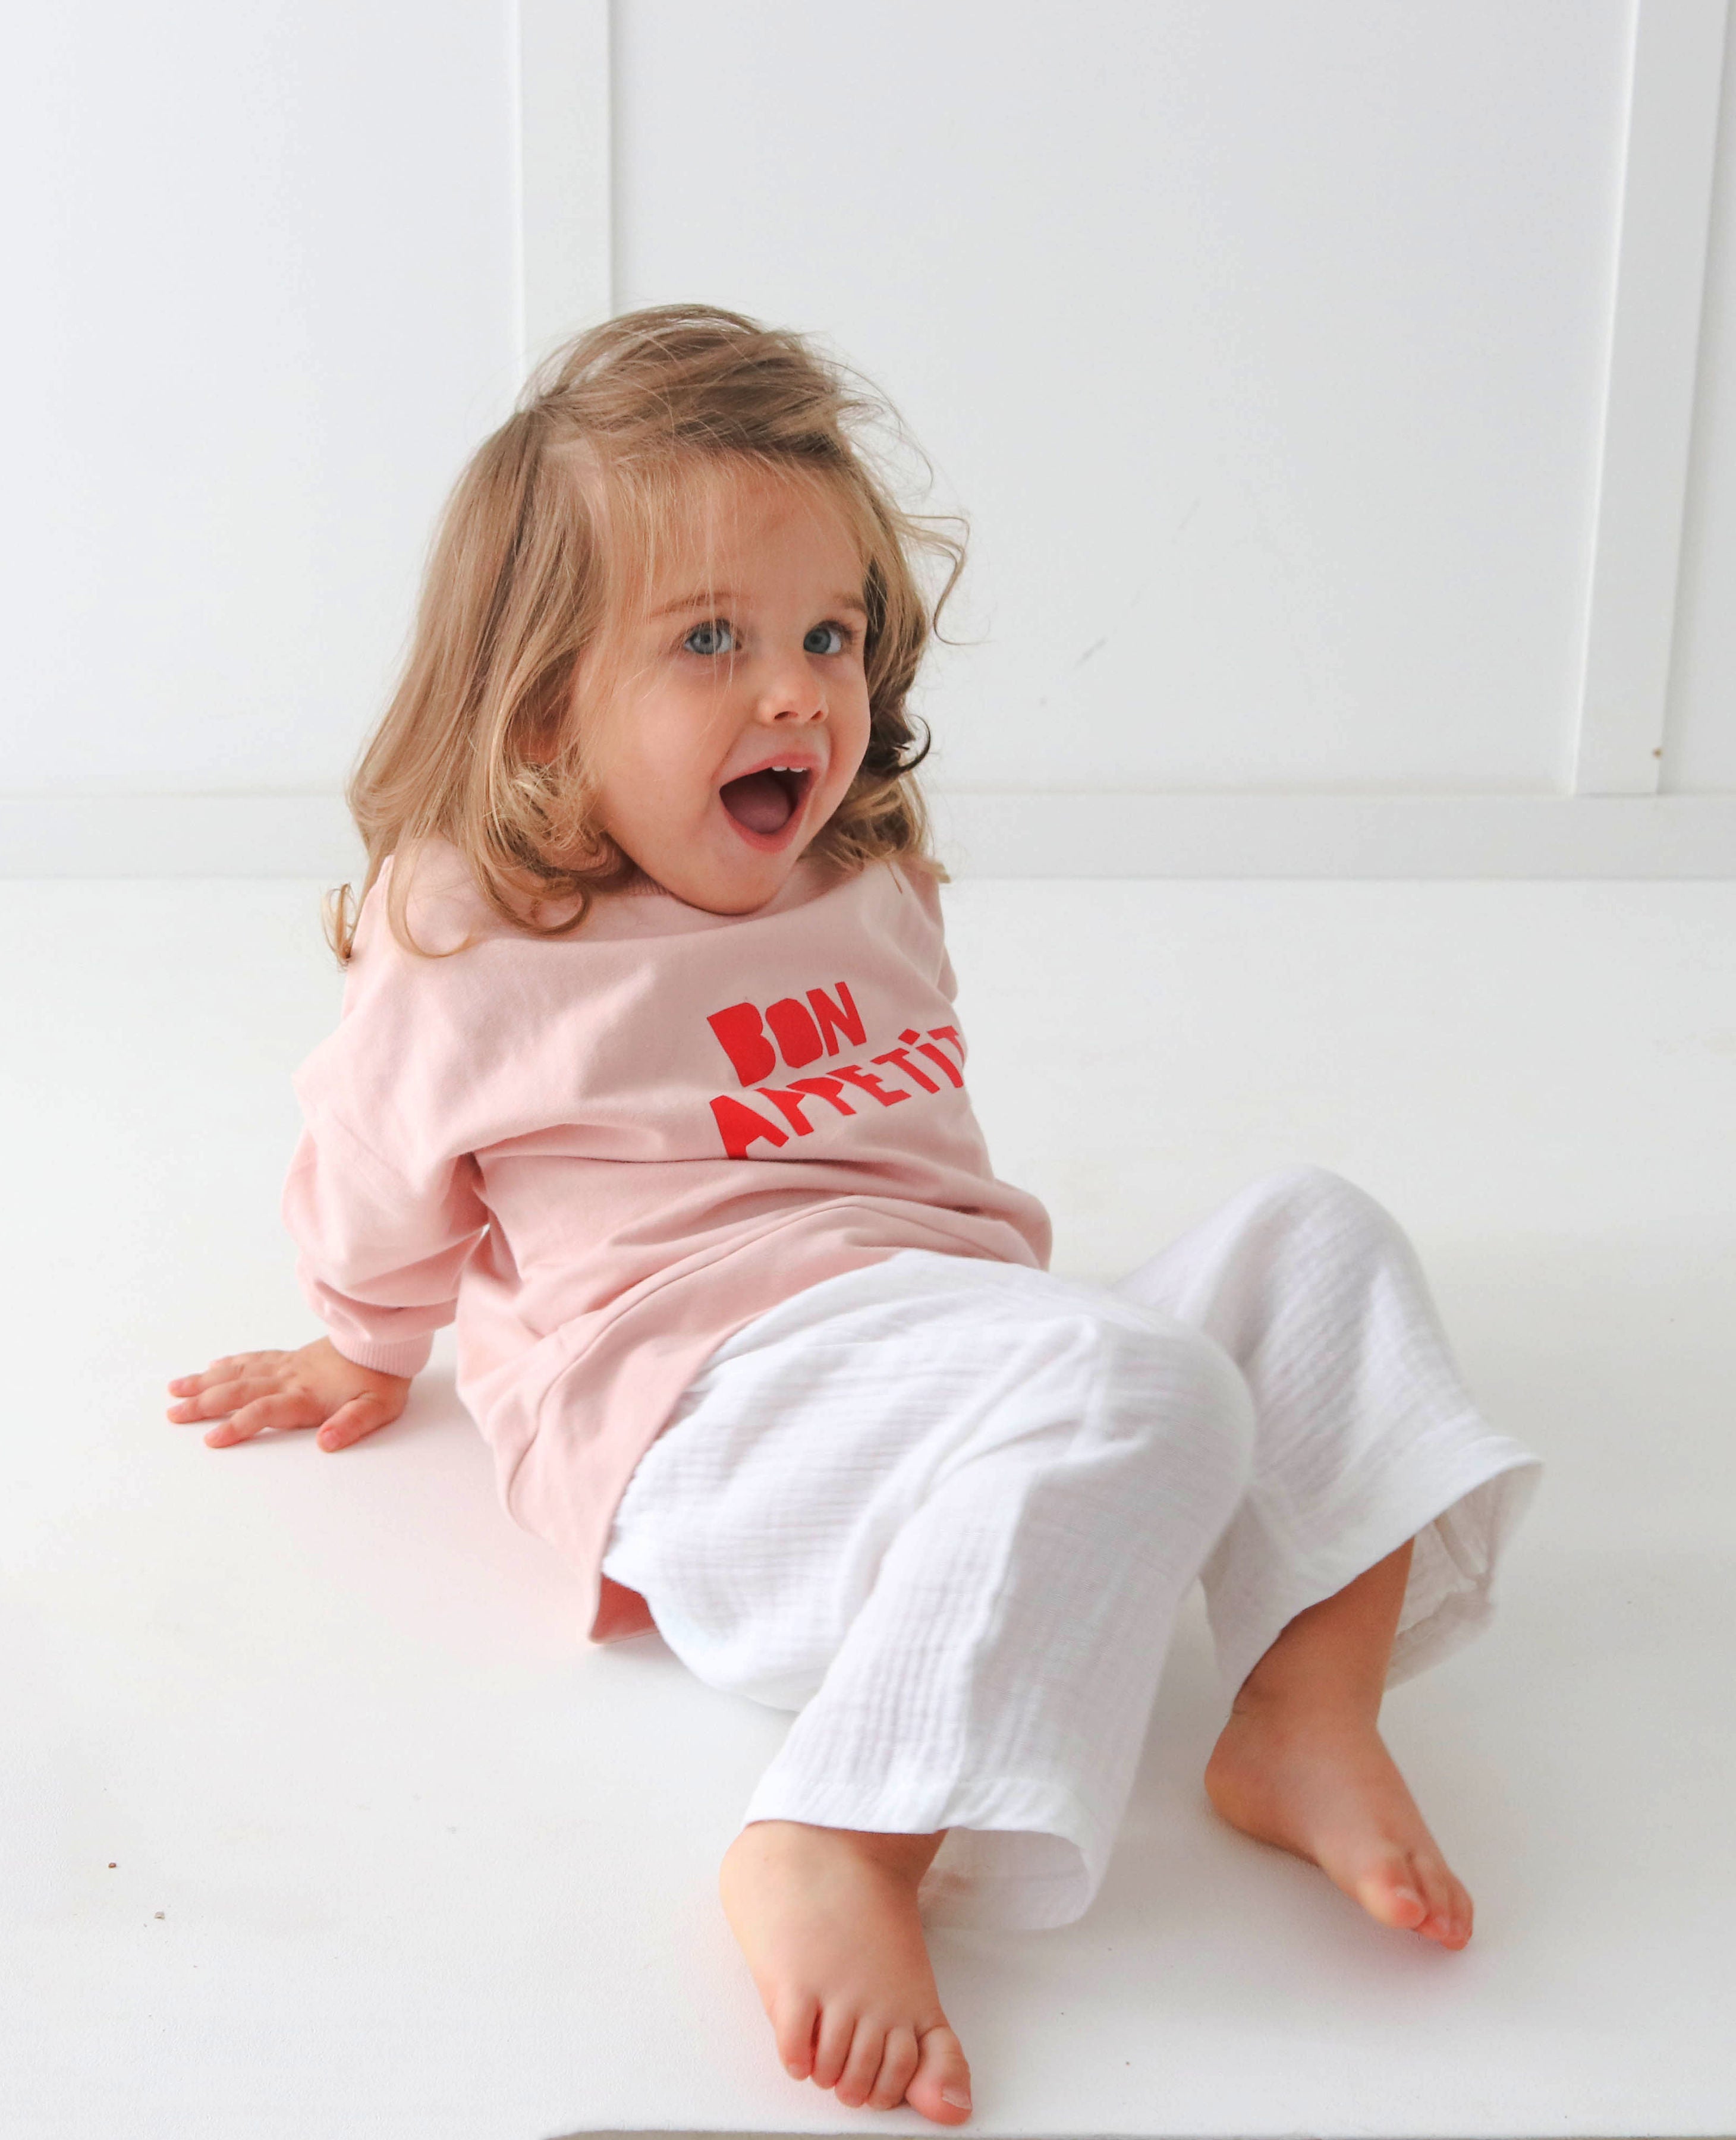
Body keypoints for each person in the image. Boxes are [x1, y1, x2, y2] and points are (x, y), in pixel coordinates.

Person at [164, 304, 1541, 2127]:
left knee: (1318, 1231)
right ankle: (837, 1831)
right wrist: (360, 1341)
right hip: (712, 1427)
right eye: (710, 641)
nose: (797, 693)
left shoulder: (862, 875)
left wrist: (1005, 1343)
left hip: (932, 1353)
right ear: (547, 699)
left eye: (830, 635)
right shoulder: (480, 925)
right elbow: (376, 1153)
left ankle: (1303, 1704)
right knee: (1152, 1392)